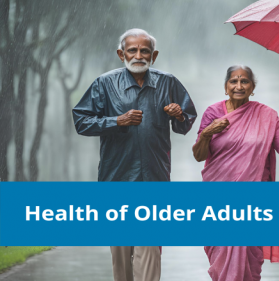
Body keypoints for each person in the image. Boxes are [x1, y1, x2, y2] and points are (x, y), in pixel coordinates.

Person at [73, 28, 197, 281]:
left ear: (154, 55)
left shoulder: (168, 82)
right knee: (120, 251)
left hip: (155, 176)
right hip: (116, 176)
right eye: (132, 50)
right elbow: (82, 122)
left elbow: (185, 124)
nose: (139, 55)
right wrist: (117, 120)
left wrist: (179, 115)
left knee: (149, 245)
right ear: (121, 54)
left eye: (145, 51)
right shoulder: (104, 83)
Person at [192, 65, 279, 281]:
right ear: (226, 87)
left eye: (245, 81)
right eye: (234, 81)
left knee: (249, 261)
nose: (239, 86)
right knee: (221, 261)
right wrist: (207, 133)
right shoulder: (213, 113)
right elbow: (199, 156)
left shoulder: (267, 116)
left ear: (252, 87)